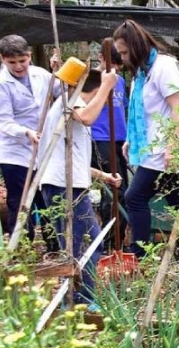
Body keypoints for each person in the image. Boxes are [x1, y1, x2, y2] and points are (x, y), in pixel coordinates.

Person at [38, 68, 123, 305]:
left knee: (81, 245)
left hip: (66, 185)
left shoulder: (69, 107)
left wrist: (103, 175)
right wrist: (107, 85)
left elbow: (70, 159)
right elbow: (87, 116)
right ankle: (81, 301)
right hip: (63, 188)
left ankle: (78, 298)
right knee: (87, 245)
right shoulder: (71, 103)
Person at [113, 20, 179, 257]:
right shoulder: (142, 71)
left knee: (135, 197)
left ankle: (138, 254)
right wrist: (132, 139)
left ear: (137, 45)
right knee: (177, 201)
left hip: (169, 147)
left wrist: (172, 146)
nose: (123, 58)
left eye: (125, 52)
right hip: (155, 146)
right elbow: (143, 112)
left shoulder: (164, 66)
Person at [0, 34, 59, 248]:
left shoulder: (41, 74)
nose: (18, 66)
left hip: (43, 148)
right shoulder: (2, 84)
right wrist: (26, 132)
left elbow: (61, 92)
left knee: (48, 199)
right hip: (15, 152)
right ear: (2, 59)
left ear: (29, 56)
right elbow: (4, 122)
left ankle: (54, 247)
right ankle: (23, 249)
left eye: (22, 61)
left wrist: (58, 73)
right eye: (12, 62)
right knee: (20, 202)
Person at [90, 39, 129, 250]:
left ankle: (118, 238)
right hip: (100, 139)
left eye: (119, 64)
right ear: (101, 58)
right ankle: (108, 241)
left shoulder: (120, 81)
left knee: (123, 189)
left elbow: (123, 109)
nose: (115, 69)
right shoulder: (92, 79)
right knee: (113, 190)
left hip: (119, 140)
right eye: (112, 63)